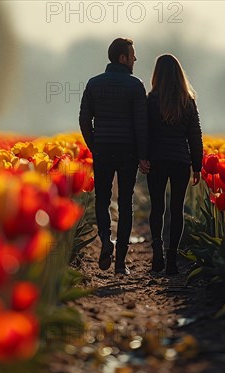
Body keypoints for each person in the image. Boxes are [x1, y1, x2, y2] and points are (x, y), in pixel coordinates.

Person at [79, 38, 150, 275]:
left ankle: (105, 241)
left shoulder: (93, 84)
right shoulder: (135, 86)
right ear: (122, 58)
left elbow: (84, 119)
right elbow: (142, 124)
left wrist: (94, 145)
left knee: (102, 198)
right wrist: (143, 155)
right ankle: (120, 262)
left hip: (103, 148)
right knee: (125, 202)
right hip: (127, 150)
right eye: (132, 55)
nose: (135, 59)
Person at [145, 54, 203, 275]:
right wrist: (197, 165)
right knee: (176, 209)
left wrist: (143, 156)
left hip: (157, 159)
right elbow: (194, 135)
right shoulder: (188, 101)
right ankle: (171, 260)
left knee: (157, 207)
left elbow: (145, 132)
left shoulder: (151, 100)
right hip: (180, 161)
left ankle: (157, 252)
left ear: (157, 75)